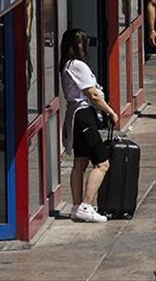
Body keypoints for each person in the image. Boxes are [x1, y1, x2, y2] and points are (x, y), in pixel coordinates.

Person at [60, 28, 120, 223]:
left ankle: (77, 206)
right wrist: (110, 111)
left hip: (76, 116)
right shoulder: (78, 65)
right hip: (84, 116)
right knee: (102, 163)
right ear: (78, 45)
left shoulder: (68, 65)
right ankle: (86, 205)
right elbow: (92, 94)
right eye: (83, 42)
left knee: (80, 162)